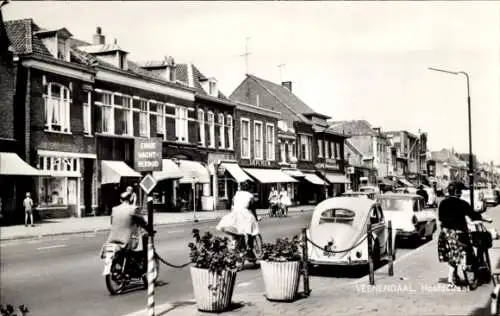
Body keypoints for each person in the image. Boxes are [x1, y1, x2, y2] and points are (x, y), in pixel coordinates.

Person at [437, 181, 491, 287]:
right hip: (458, 233)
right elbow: (473, 215)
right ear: (457, 192)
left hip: (444, 233)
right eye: (460, 191)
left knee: (452, 254)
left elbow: (440, 218)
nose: (461, 193)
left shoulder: (442, 203)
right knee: (463, 252)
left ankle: (455, 276)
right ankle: (451, 279)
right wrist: (486, 219)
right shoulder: (462, 203)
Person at [106, 192, 155, 267]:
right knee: (140, 244)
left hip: (112, 238)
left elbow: (112, 222)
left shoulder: (114, 209)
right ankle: (139, 265)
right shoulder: (133, 209)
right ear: (130, 199)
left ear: (120, 200)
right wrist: (149, 229)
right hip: (126, 239)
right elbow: (142, 222)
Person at [216, 181, 259, 253]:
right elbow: (252, 208)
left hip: (235, 213)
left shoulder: (236, 194)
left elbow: (232, 205)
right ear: (249, 188)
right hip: (245, 214)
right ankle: (249, 248)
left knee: (237, 231)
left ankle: (238, 247)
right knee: (250, 230)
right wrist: (256, 218)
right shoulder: (250, 195)